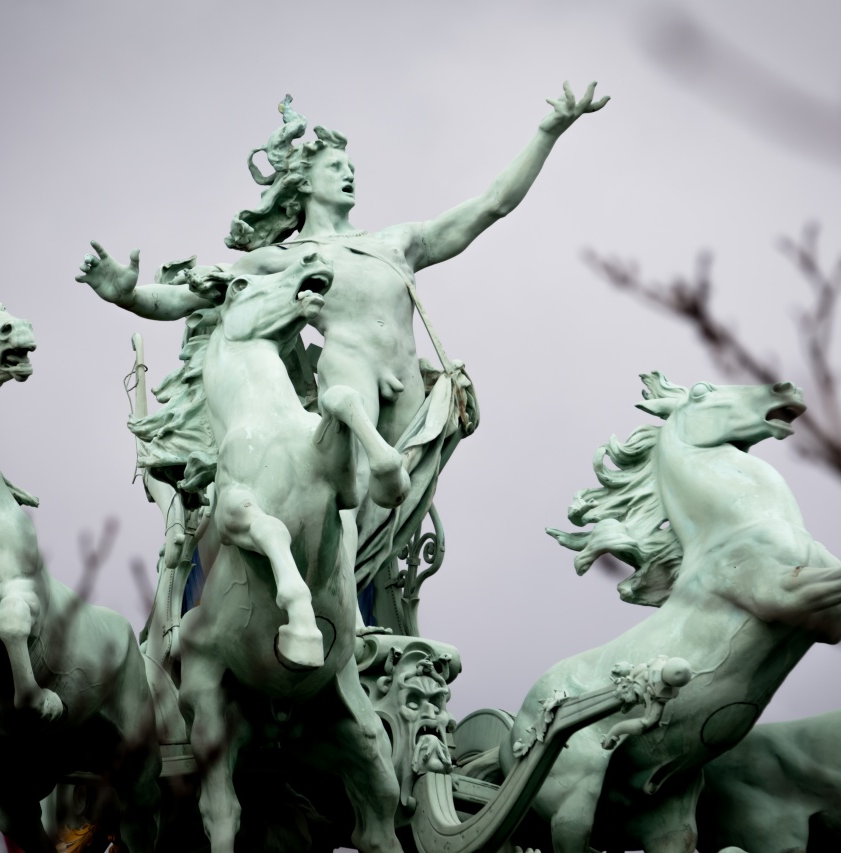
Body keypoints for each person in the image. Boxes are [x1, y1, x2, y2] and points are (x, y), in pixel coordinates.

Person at [77, 82, 608, 614]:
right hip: (349, 377)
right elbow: (193, 295)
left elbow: (492, 204)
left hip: (411, 394)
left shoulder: (396, 243)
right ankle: (338, 615)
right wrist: (128, 295)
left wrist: (548, 131)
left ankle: (349, 608)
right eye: (335, 167)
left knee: (392, 519)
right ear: (302, 182)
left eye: (351, 166)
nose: (349, 174)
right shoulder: (282, 259)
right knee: (346, 501)